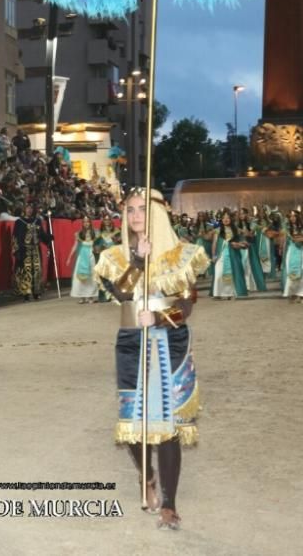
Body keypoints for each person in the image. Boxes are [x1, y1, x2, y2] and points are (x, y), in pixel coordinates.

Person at [94, 188, 209, 530]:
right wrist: (138, 262)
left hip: (170, 342)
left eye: (141, 210)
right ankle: (146, 475)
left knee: (167, 426)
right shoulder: (114, 256)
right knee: (132, 424)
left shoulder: (181, 255)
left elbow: (187, 303)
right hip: (131, 341)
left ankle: (170, 505)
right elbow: (122, 292)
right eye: (129, 210)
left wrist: (160, 318)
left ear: (157, 213)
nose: (134, 217)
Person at [211, 210, 261, 299]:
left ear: (231, 219)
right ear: (221, 220)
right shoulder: (217, 230)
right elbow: (214, 243)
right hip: (221, 255)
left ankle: (230, 293)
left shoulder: (236, 229)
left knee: (232, 273)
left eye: (227, 218)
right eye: (223, 218)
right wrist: (214, 255)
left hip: (233, 255)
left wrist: (241, 244)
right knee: (219, 274)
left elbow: (246, 238)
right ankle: (218, 293)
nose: (225, 219)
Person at [12, 203, 53, 301]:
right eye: (27, 208)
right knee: (26, 271)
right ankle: (26, 293)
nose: (29, 210)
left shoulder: (37, 221)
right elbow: (15, 237)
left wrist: (49, 238)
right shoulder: (19, 222)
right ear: (24, 210)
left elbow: (41, 234)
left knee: (37, 271)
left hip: (35, 249)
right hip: (24, 250)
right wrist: (16, 250)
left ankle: (36, 292)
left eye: (31, 208)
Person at [68, 215, 99, 303]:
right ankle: (81, 296)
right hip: (82, 255)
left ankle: (90, 296)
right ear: (82, 223)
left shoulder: (95, 233)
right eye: (84, 222)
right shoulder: (79, 233)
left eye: (88, 222)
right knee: (80, 276)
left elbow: (97, 245)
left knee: (91, 275)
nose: (86, 223)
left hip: (91, 255)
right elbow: (75, 246)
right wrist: (69, 257)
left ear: (90, 222)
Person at [282, 209, 303, 303]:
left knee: (302, 271)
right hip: (291, 251)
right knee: (290, 270)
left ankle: (301, 294)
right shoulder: (287, 228)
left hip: (301, 251)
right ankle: (292, 293)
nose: (292, 218)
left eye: (294, 216)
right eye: (290, 216)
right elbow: (285, 241)